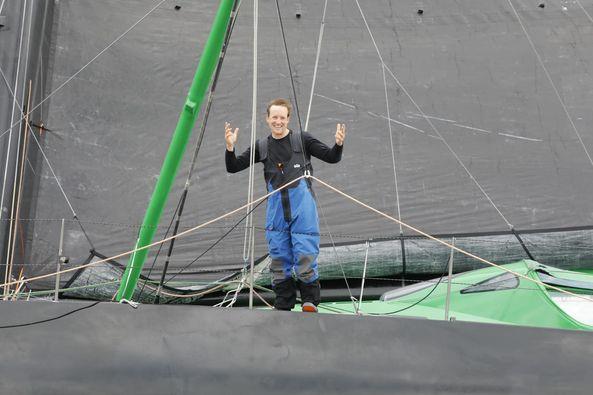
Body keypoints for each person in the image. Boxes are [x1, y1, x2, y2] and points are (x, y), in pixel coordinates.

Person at [225, 98, 346, 312]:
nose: (278, 121)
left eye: (282, 117)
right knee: (279, 259)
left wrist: (338, 144)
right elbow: (233, 167)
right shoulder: (261, 147)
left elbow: (331, 157)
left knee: (305, 254)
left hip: (303, 211)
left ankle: (309, 301)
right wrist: (230, 147)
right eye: (274, 117)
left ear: (288, 119)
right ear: (267, 119)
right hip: (277, 214)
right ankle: (283, 305)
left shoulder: (303, 140)